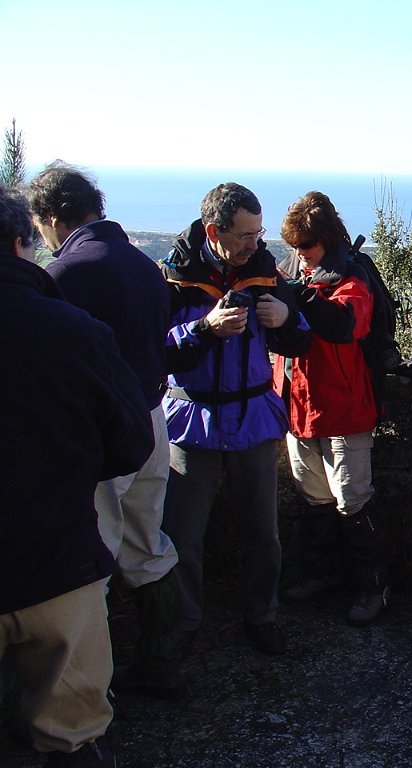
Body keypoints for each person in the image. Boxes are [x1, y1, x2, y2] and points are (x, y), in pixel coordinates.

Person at [0, 185, 153, 767]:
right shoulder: (73, 330)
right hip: (58, 560)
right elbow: (130, 441)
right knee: (75, 735)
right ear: (19, 242)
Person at [27, 162, 184, 698]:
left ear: (53, 217)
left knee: (92, 558)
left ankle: (94, 688)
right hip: (151, 421)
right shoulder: (143, 265)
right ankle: (164, 665)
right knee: (147, 544)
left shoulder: (67, 274)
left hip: (100, 437)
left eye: (41, 226)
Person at [160, 182, 311, 656]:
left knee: (263, 533)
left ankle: (262, 617)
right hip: (192, 419)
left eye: (257, 233)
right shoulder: (174, 277)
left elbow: (300, 340)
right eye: (245, 235)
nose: (254, 243)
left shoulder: (265, 273)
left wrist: (286, 318)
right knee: (182, 536)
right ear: (214, 231)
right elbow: (156, 348)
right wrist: (204, 329)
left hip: (252, 420)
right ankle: (182, 626)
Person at [272, 191, 391, 626]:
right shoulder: (293, 270)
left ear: (326, 239)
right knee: (314, 496)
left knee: (352, 499)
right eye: (294, 245)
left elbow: (346, 325)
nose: (299, 252)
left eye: (306, 245)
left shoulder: (352, 277)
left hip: (343, 407)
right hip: (298, 407)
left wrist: (299, 297)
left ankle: (374, 587)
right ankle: (320, 574)